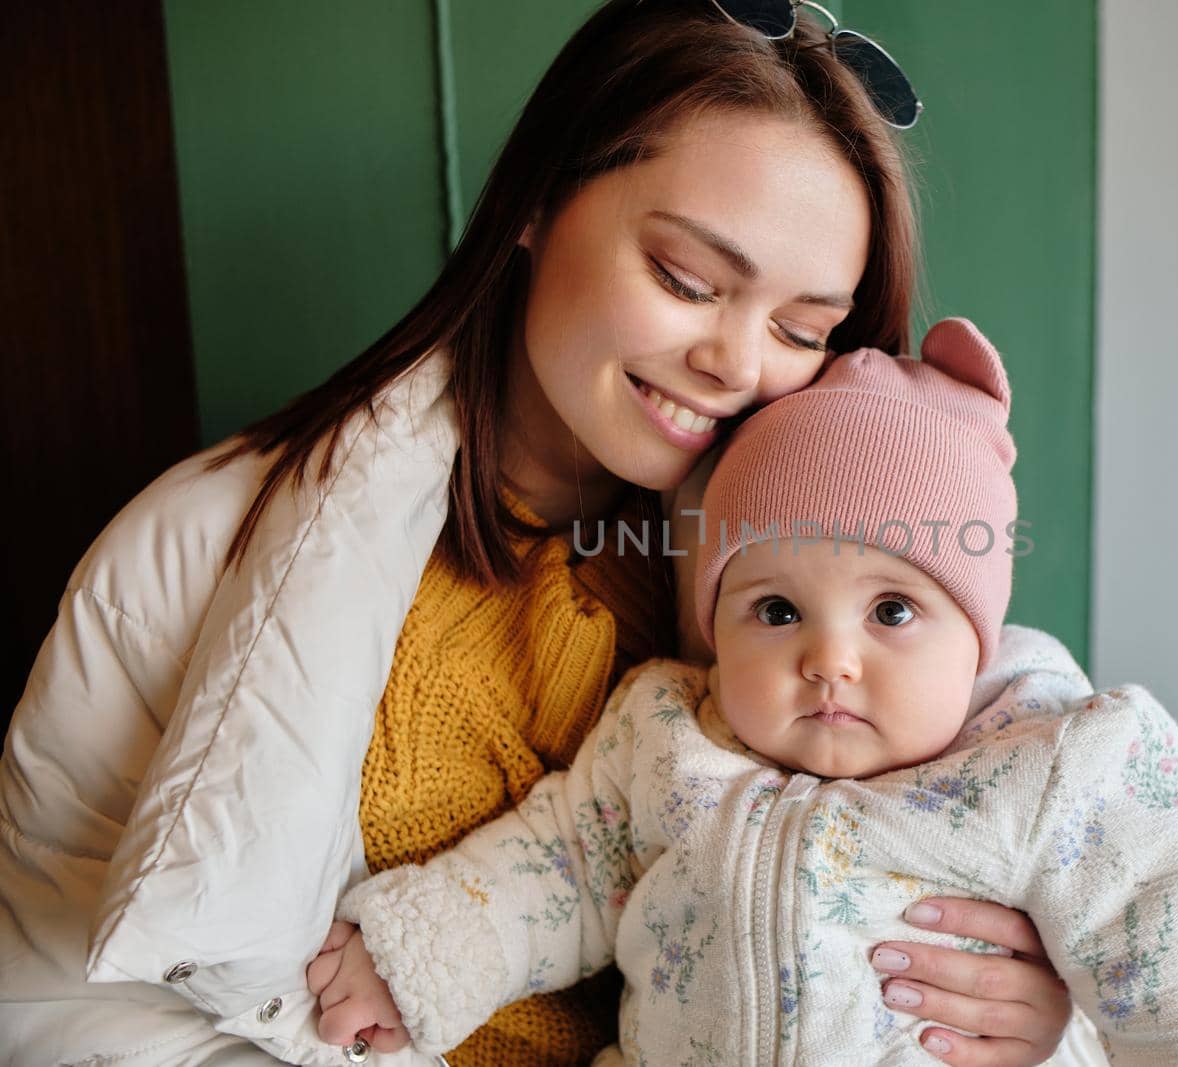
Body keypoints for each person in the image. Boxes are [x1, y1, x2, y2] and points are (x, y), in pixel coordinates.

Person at [0, 3, 1077, 1065]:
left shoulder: (822, 567)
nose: (740, 364)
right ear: (537, 203)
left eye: (803, 328)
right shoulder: (190, 552)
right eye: (687, 281)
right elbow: (67, 1004)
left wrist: (1029, 1010)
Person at [305, 319, 1178, 1065]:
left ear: (977, 637)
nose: (829, 657)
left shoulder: (1048, 770)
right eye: (776, 609)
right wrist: (416, 954)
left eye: (894, 611)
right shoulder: (665, 738)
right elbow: (551, 869)